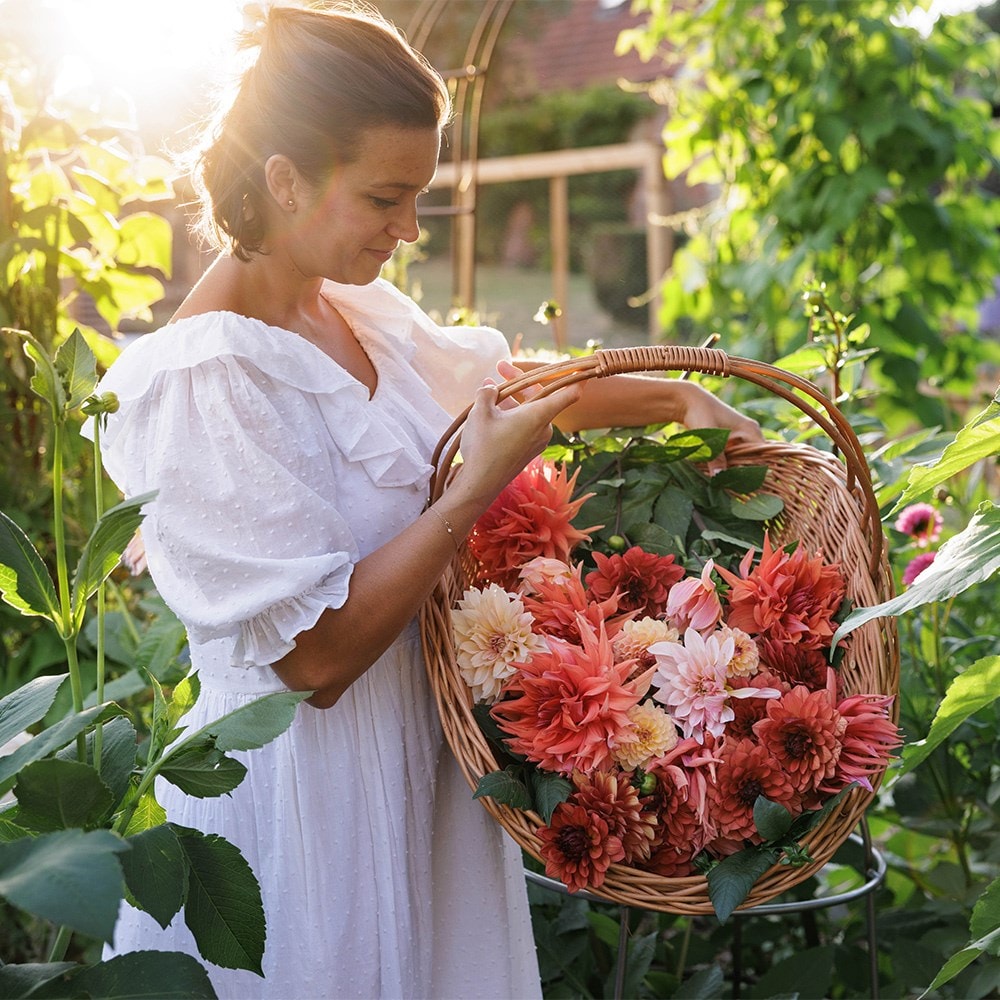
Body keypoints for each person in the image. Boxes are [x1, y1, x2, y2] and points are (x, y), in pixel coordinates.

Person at [94, 3, 762, 997]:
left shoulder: (349, 309)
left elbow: (512, 390)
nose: (408, 229)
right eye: (383, 198)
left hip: (421, 788)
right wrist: (475, 485)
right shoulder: (203, 379)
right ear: (282, 179)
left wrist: (676, 394)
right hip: (308, 824)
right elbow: (313, 660)